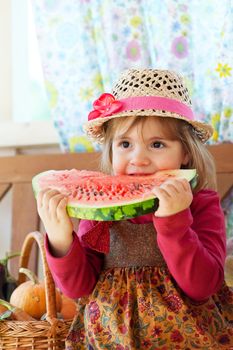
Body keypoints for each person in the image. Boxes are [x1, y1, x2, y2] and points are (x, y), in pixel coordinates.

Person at [37, 69, 233, 349]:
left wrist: (175, 221)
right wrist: (60, 239)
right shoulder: (101, 213)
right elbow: (79, 289)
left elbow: (203, 286)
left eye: (157, 144)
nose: (138, 159)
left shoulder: (201, 203)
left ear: (185, 152)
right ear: (112, 151)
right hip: (108, 340)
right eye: (125, 144)